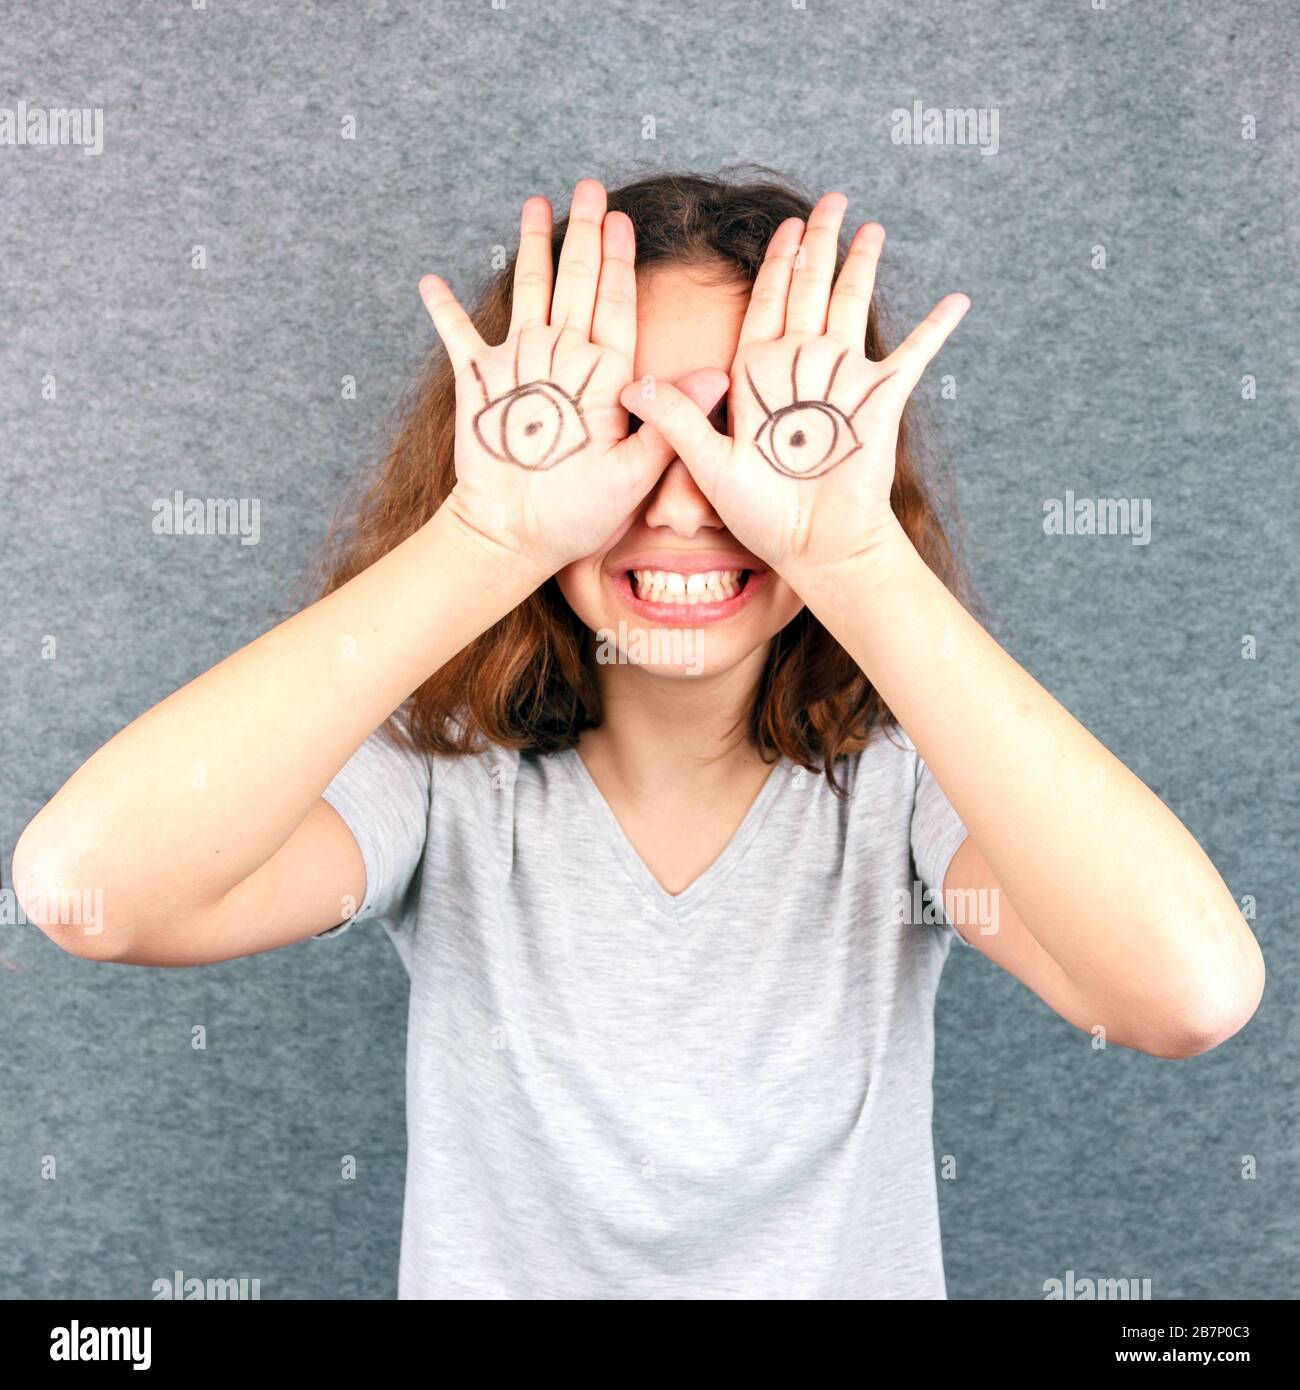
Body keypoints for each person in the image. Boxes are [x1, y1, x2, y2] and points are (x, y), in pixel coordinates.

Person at [14, 171, 1264, 1299]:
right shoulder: (444, 785)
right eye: (622, 428)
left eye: (741, 433)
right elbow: (92, 894)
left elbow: (1188, 995)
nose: (681, 502)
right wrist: (490, 537)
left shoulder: (911, 787)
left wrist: (849, 550)